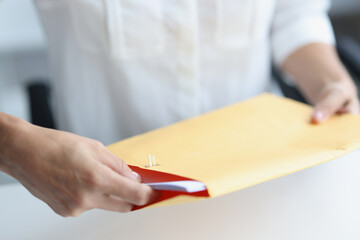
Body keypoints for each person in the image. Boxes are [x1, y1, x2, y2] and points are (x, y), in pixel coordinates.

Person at [0, 0, 359, 217]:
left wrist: (329, 80)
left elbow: (293, 16)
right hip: (100, 197)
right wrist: (13, 145)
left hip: (258, 189)